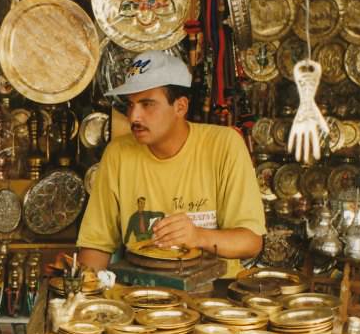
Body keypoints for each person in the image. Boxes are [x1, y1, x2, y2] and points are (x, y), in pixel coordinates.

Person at [76, 50, 265, 275]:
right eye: (130, 104)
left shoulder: (224, 145)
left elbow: (251, 242)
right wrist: (82, 291)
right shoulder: (118, 153)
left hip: (212, 296)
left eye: (147, 104)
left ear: (180, 107)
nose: (134, 117)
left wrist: (198, 236)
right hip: (142, 296)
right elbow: (96, 245)